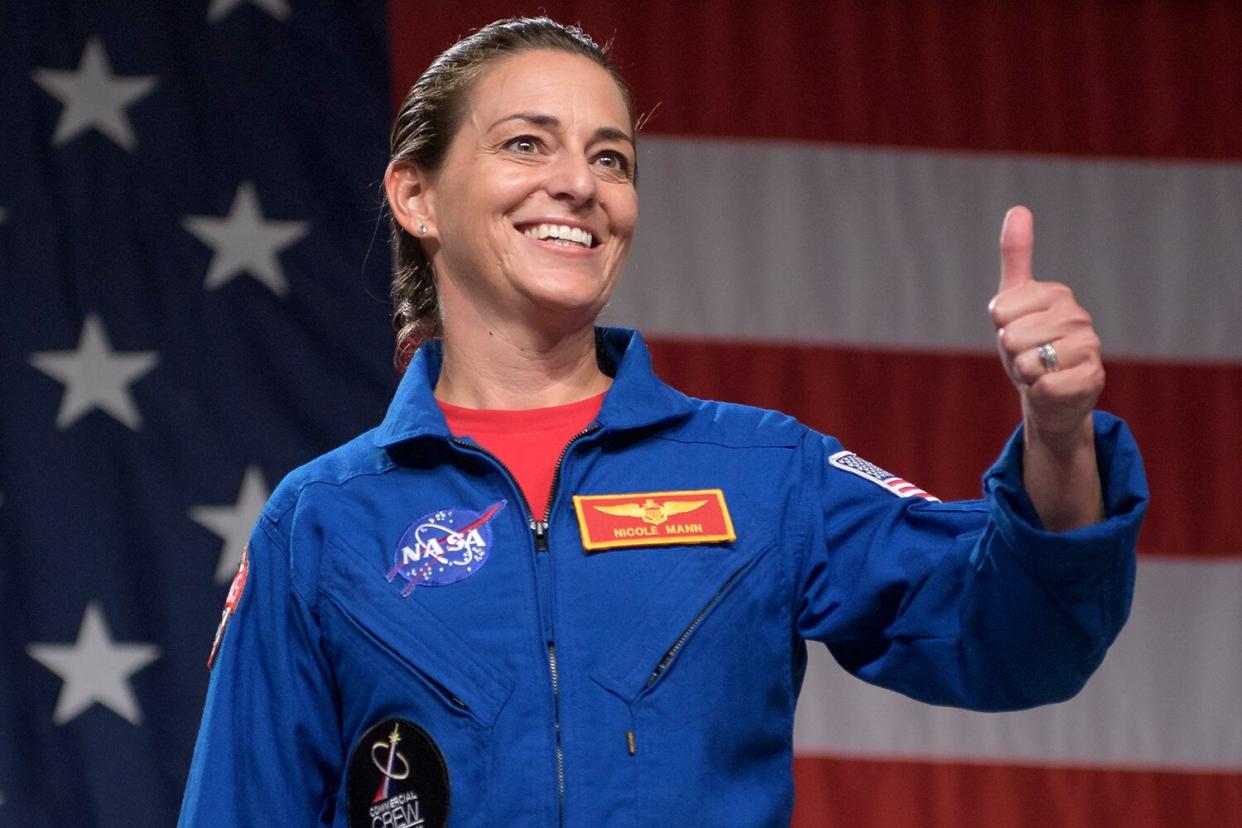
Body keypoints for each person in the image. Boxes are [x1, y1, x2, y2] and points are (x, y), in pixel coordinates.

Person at [177, 16, 1147, 828]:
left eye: (612, 157)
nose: (580, 183)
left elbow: (1020, 643)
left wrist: (1057, 436)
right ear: (416, 195)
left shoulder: (764, 475)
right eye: (527, 142)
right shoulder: (320, 527)